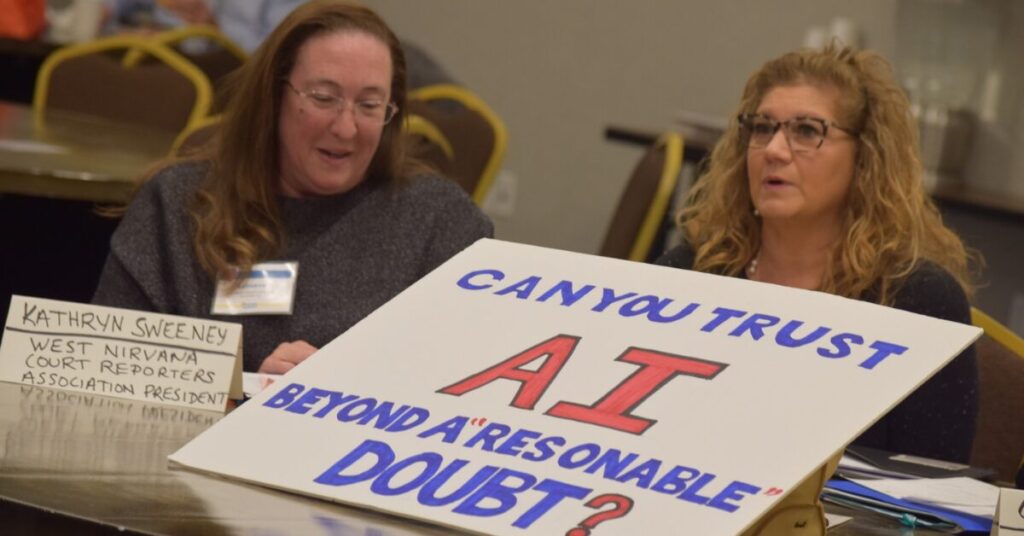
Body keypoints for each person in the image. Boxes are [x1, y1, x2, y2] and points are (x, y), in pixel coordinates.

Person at [92, 0, 493, 374]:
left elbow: (463, 389)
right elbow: (112, 368)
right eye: (323, 98)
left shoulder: (440, 223)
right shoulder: (179, 205)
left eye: (369, 105)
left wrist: (340, 392)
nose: (345, 127)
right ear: (273, 96)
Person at [657, 44, 978, 464]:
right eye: (761, 128)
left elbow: (929, 498)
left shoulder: (919, 304)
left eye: (807, 131)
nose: (773, 149)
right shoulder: (691, 275)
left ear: (865, 157)